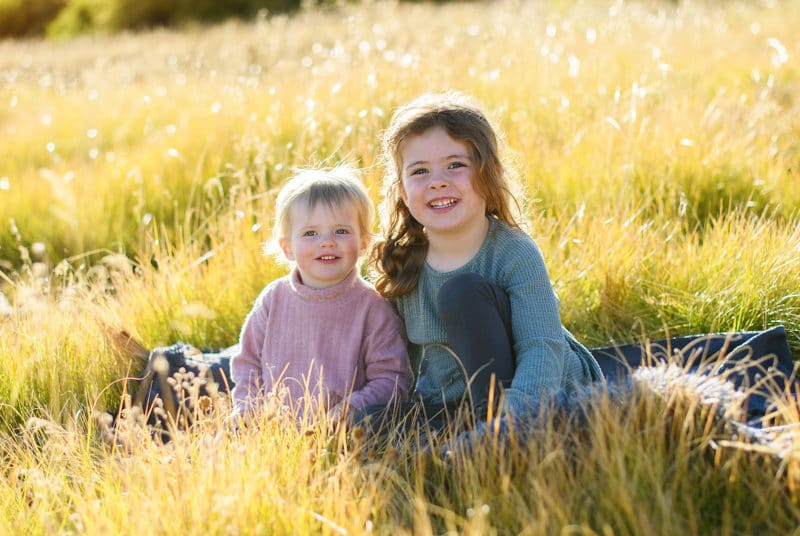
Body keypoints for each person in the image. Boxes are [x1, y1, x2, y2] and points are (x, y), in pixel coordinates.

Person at [361, 91, 604, 439]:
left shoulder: (513, 253)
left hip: (537, 391)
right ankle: (465, 430)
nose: (437, 181)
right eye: (420, 171)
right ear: (401, 190)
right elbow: (391, 360)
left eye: (455, 165)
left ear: (488, 174)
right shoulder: (400, 260)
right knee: (362, 425)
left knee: (462, 295)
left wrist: (511, 424)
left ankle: (490, 433)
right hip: (452, 400)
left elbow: (541, 347)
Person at [228, 166, 412, 429]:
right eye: (310, 233)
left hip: (342, 438)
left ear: (363, 243)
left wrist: (352, 408)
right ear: (287, 247)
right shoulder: (273, 300)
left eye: (341, 231)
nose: (326, 242)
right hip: (275, 433)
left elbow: (392, 378)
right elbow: (248, 364)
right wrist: (248, 409)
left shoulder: (373, 309)